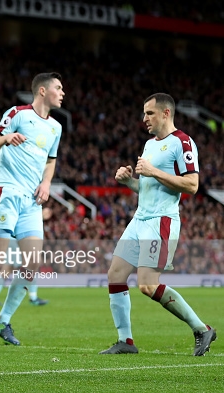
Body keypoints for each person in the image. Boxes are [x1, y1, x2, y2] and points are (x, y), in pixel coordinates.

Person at [99, 93, 216, 356]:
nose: (144, 119)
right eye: (144, 113)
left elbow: (192, 185)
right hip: (139, 219)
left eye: (149, 113)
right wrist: (129, 182)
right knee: (115, 275)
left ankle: (201, 328)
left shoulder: (182, 143)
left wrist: (153, 171)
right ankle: (126, 342)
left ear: (166, 113)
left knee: (147, 285)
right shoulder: (150, 144)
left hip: (160, 222)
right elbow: (148, 187)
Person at [0, 72, 64, 346]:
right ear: (42, 91)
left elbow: (51, 160)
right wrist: (7, 138)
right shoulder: (17, 114)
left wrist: (46, 183)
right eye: (58, 87)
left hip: (32, 202)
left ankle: (2, 321)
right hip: (7, 193)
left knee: (31, 265)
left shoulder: (56, 128)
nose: (62, 92)